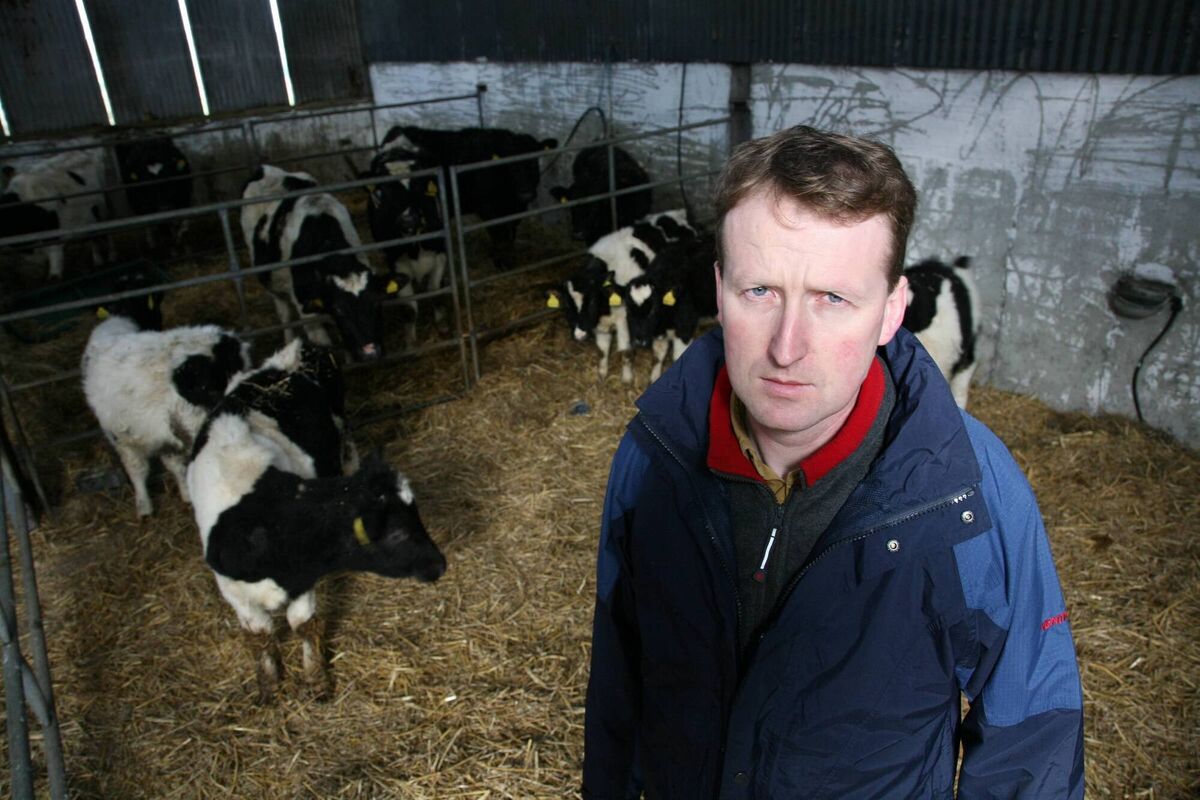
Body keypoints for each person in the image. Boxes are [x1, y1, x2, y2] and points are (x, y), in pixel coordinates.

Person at [582, 125, 1084, 799]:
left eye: (833, 299)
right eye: (759, 291)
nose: (788, 347)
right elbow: (618, 685)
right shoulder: (654, 457)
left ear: (892, 312)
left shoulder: (968, 489)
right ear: (719, 288)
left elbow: (1033, 736)